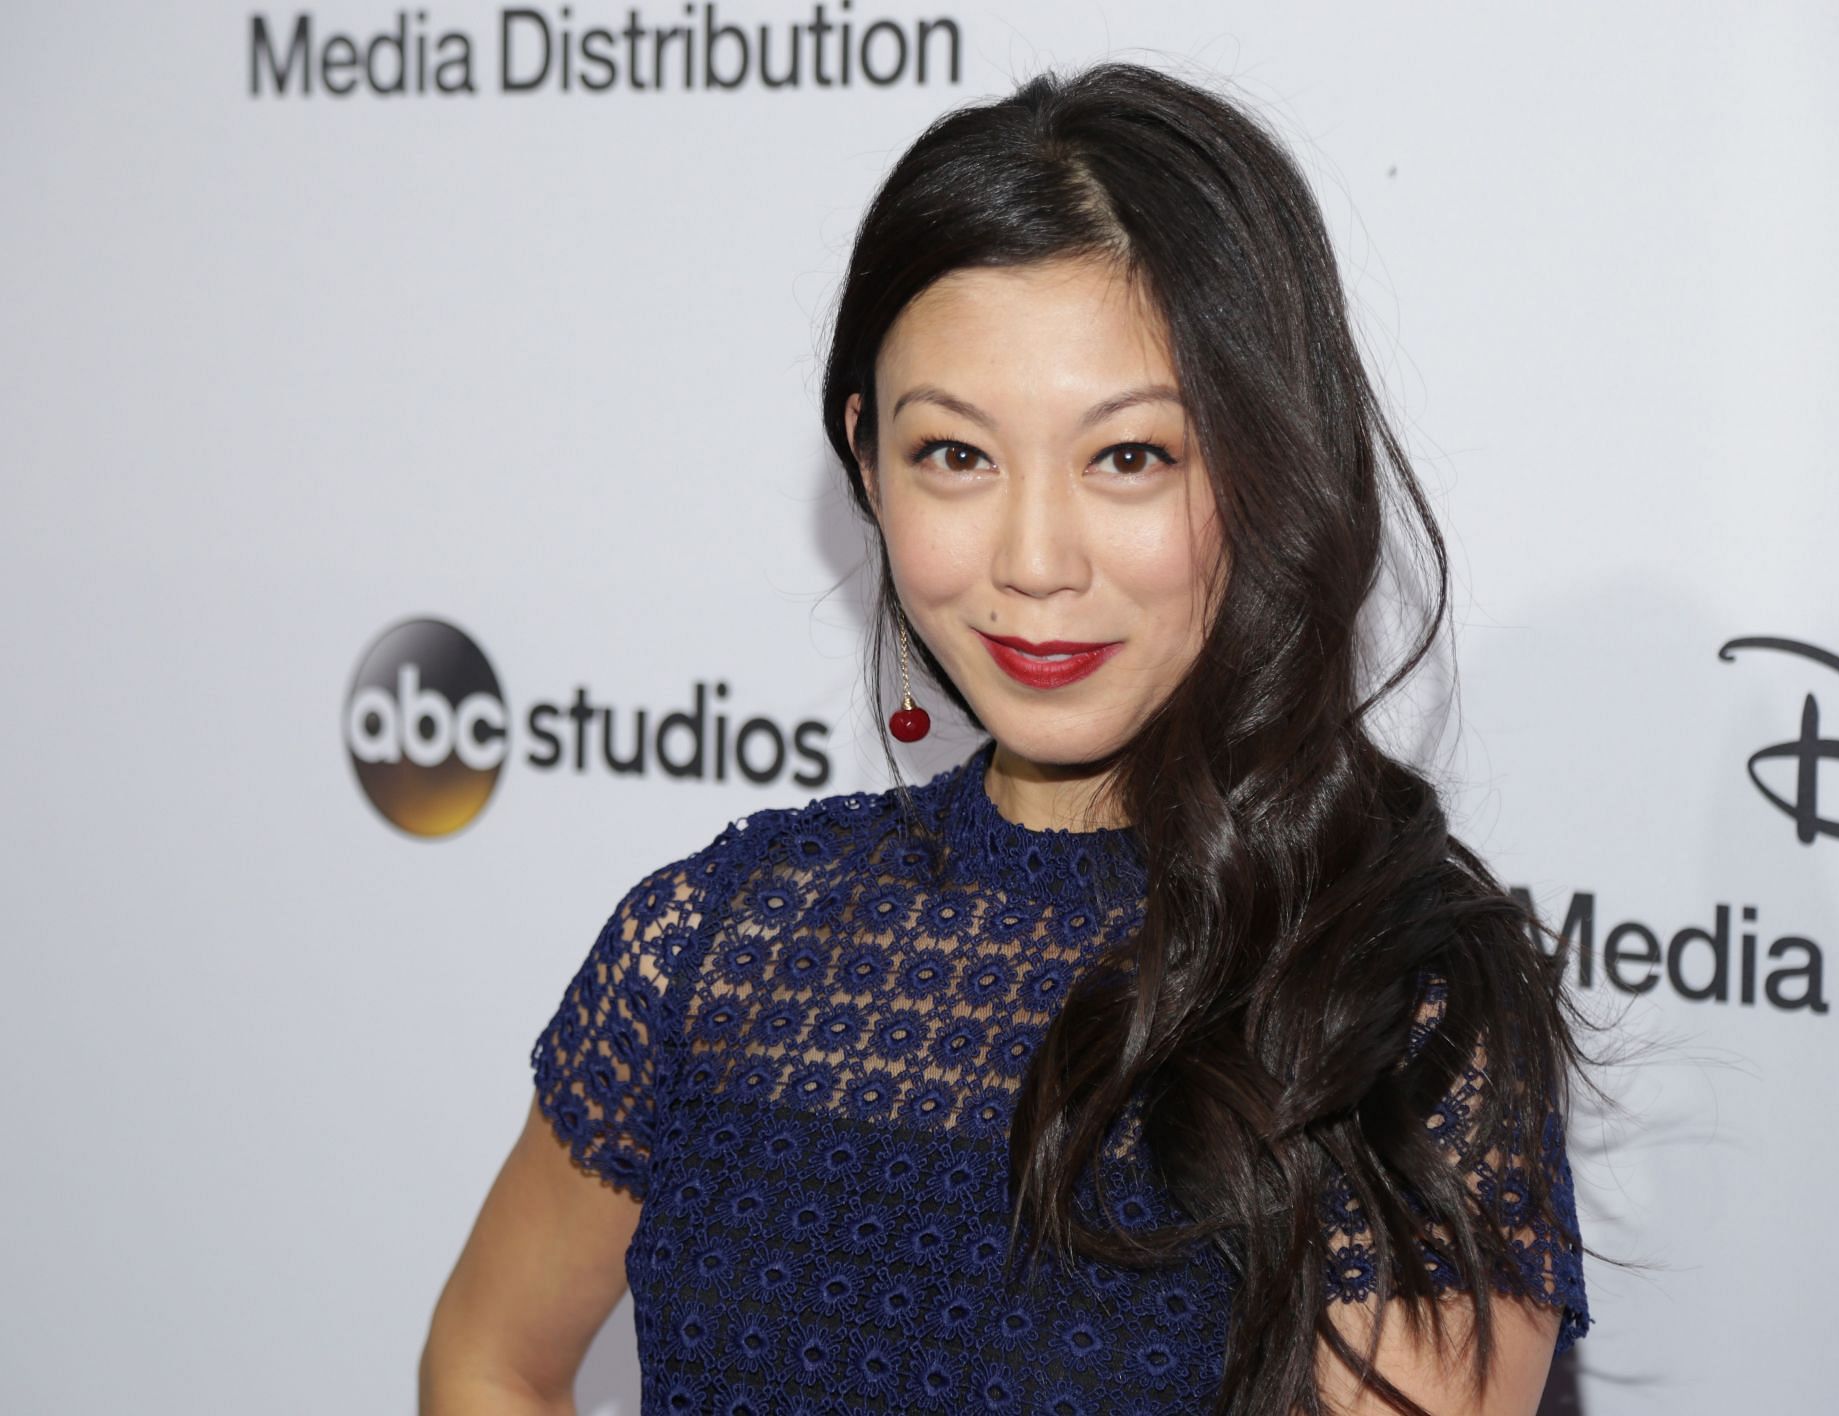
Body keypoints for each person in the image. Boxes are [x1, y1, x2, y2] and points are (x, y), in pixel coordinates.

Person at [421, 59, 1604, 1416]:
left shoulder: (1397, 1010)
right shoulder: (713, 940)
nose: (1035, 562)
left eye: (1130, 457)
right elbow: (487, 1356)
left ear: (1275, 461)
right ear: (867, 459)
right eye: (957, 457)